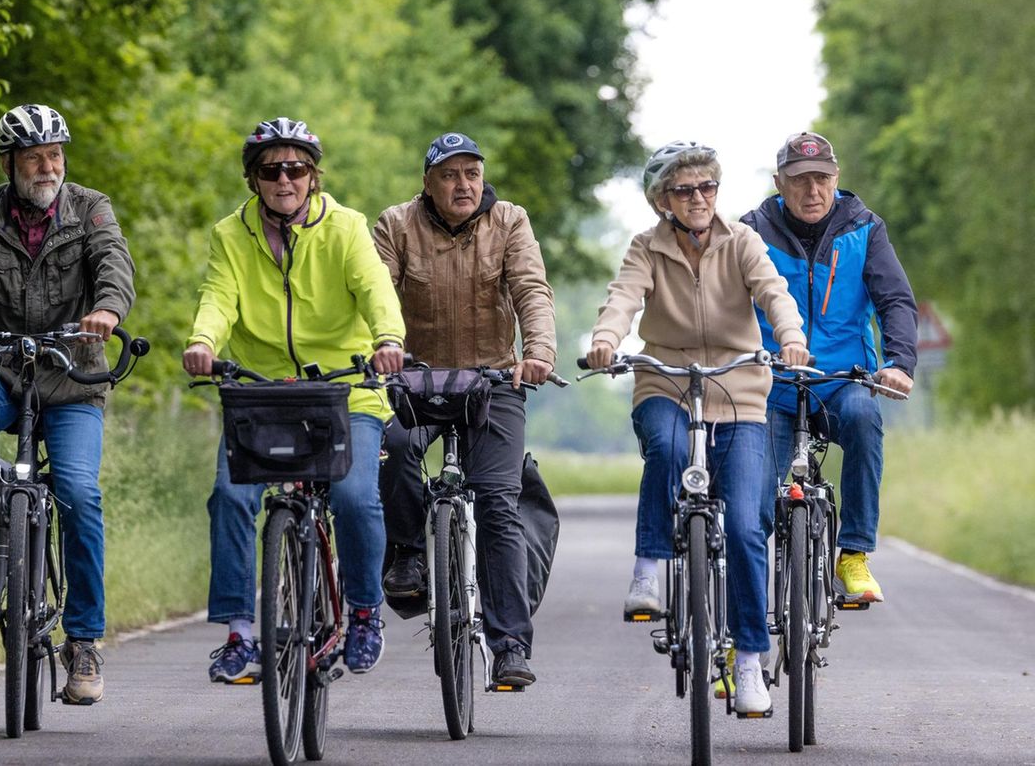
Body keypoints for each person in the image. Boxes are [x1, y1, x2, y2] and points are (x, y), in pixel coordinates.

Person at [0, 103, 136, 706]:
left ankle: (85, 641)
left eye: (56, 155)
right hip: (3, 368)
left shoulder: (90, 208)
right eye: (35, 157)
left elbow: (115, 263)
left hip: (71, 378)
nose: (48, 167)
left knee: (79, 492)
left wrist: (108, 311)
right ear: (10, 161)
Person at [585, 141, 808, 714]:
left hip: (740, 390)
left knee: (747, 527)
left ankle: (751, 662)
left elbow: (774, 294)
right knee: (662, 446)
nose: (699, 198)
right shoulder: (646, 248)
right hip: (667, 382)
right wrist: (607, 340)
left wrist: (791, 339)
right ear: (663, 200)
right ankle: (650, 565)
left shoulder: (743, 242)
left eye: (707, 187)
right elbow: (623, 299)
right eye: (685, 190)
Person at [183, 117, 405, 683]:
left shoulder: (347, 228)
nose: (285, 179)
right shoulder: (230, 234)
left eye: (297, 168)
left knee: (355, 497)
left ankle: (362, 612)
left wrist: (388, 340)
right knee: (229, 496)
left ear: (313, 175)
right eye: (271, 170)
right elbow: (219, 296)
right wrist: (203, 341)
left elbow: (375, 288)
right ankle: (240, 633)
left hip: (346, 388)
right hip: (264, 393)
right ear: (253, 179)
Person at [372, 132, 556, 686]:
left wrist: (539, 352)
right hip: (416, 379)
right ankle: (407, 552)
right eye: (449, 175)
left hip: (494, 379)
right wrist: (378, 346)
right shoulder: (396, 224)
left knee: (499, 502)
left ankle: (510, 647)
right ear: (427, 183)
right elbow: (374, 293)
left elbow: (531, 290)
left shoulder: (511, 222)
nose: (463, 184)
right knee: (395, 448)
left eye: (471, 173)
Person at [742, 131, 917, 603]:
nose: (812, 190)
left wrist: (900, 362)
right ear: (780, 183)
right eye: (800, 180)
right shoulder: (750, 230)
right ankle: (745, 616)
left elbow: (895, 300)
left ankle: (854, 554)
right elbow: (721, 305)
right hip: (771, 384)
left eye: (822, 179)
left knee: (864, 418)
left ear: (837, 179)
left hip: (842, 381)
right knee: (752, 499)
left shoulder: (864, 227)